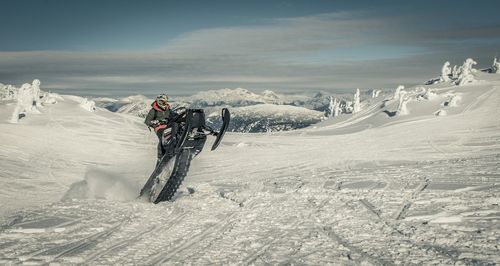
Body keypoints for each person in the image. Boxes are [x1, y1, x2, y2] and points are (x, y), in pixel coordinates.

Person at [144, 94, 177, 164]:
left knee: (175, 133)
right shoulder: (154, 110)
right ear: (159, 102)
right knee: (163, 136)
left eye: (166, 102)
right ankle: (160, 156)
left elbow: (174, 116)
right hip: (159, 128)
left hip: (169, 126)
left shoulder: (168, 109)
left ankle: (176, 147)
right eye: (163, 102)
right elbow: (147, 121)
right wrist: (156, 122)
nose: (165, 104)